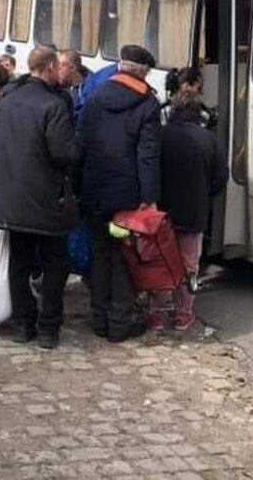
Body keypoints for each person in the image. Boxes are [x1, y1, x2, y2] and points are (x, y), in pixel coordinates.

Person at [0, 46, 81, 349]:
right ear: (50, 67)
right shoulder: (54, 105)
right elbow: (63, 152)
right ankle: (48, 327)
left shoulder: (7, 101)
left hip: (10, 195)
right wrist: (80, 147)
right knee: (55, 265)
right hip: (46, 197)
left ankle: (22, 324)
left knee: (19, 262)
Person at [79, 44, 162, 342]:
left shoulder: (94, 97)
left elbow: (81, 144)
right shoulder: (147, 104)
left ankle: (99, 320)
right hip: (128, 197)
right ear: (143, 72)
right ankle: (119, 324)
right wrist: (149, 197)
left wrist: (79, 187)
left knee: (100, 256)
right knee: (124, 258)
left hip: (94, 191)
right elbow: (147, 156)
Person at [152, 90, 228, 331]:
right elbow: (220, 178)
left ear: (173, 109)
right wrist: (204, 194)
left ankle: (158, 314)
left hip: (162, 213)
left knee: (160, 262)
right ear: (198, 112)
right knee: (190, 266)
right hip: (194, 213)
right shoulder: (210, 139)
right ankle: (184, 314)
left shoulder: (160, 135)